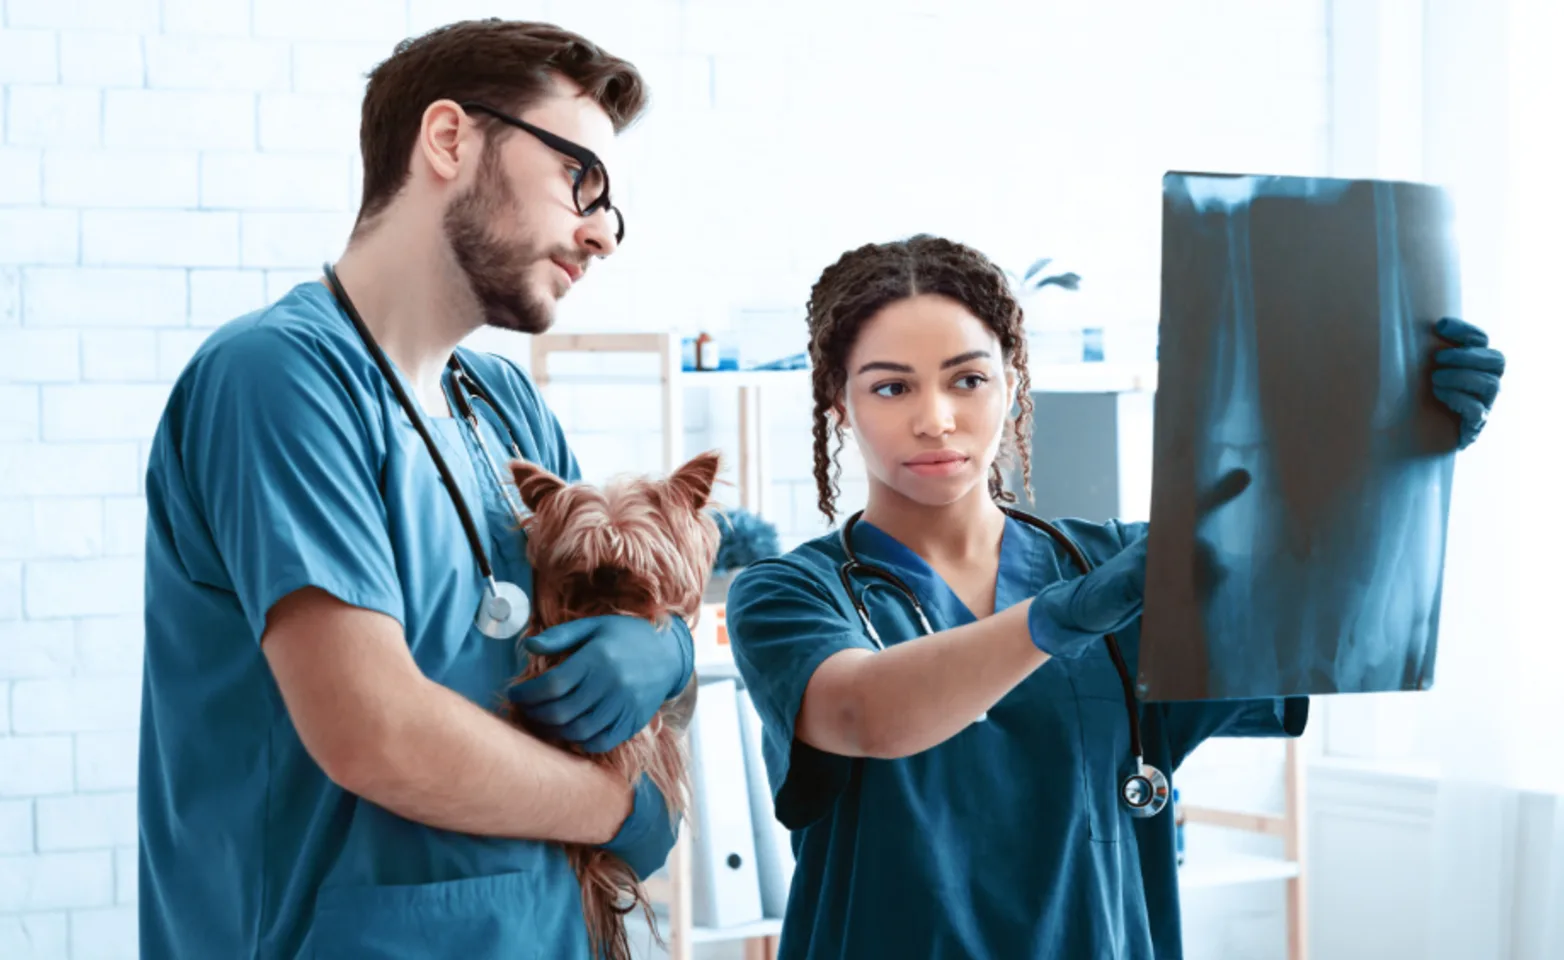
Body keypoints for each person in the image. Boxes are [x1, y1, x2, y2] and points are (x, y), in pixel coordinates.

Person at [724, 234, 1506, 959]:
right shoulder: (791, 593)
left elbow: (1327, 611)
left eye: (968, 379)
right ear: (837, 403)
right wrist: (1061, 616)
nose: (936, 420)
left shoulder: (1117, 564)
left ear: (1011, 387)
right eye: (891, 387)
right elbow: (863, 711)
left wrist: (1401, 459)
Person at [137, 20, 696, 959]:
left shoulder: (505, 404)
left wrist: (666, 650)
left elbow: (612, 602)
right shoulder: (278, 379)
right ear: (449, 139)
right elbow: (377, 733)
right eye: (579, 180)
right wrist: (616, 805)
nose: (600, 232)